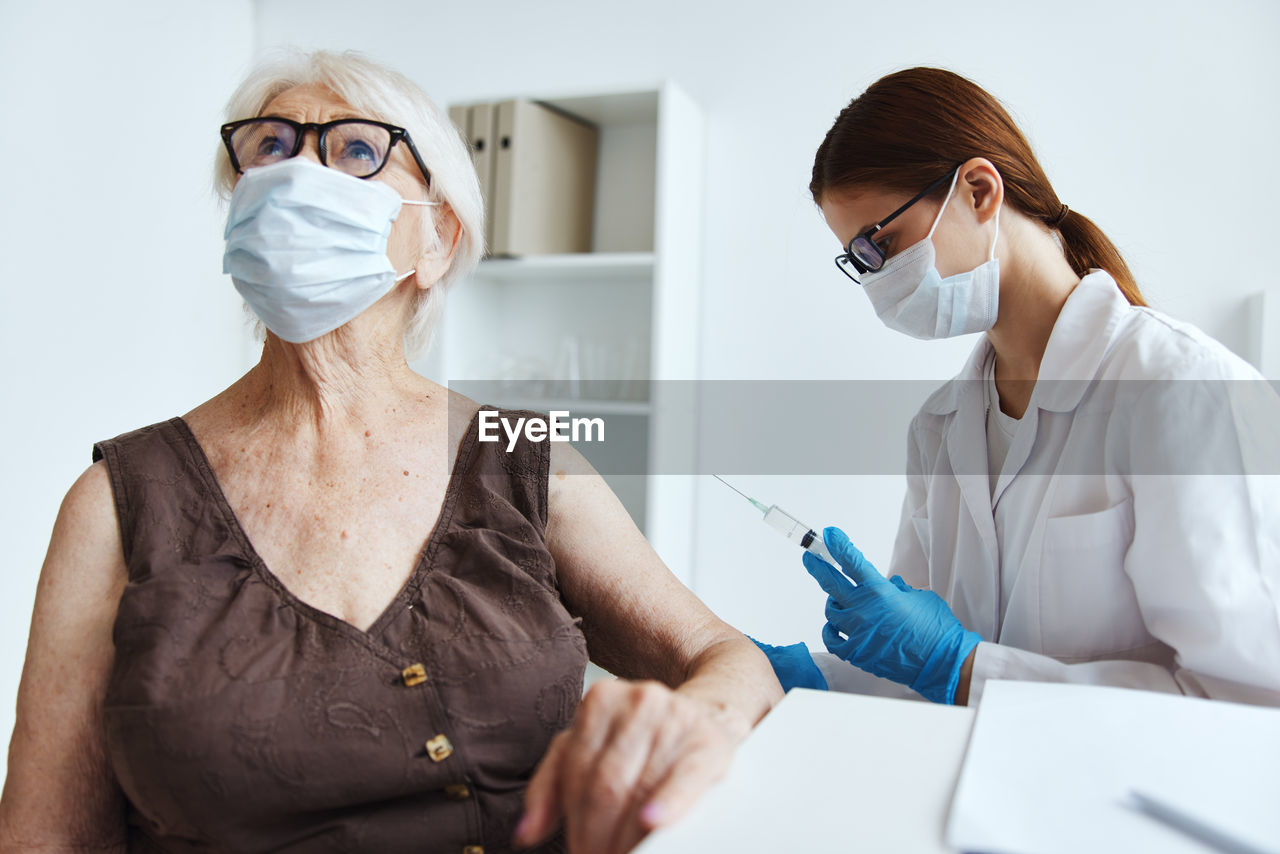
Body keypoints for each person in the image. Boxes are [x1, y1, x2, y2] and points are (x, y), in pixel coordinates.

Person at [0, 50, 781, 854]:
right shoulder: (114, 503)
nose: (299, 174)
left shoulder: (515, 452)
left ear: (438, 239)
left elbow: (729, 658)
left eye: (356, 151)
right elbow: (43, 836)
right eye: (270, 147)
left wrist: (694, 721)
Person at [755, 67, 1280, 707]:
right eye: (858, 261)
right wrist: (802, 678)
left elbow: (1246, 701)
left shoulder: (1181, 389)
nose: (877, 279)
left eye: (880, 243)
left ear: (978, 191)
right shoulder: (941, 426)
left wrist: (967, 668)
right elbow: (916, 663)